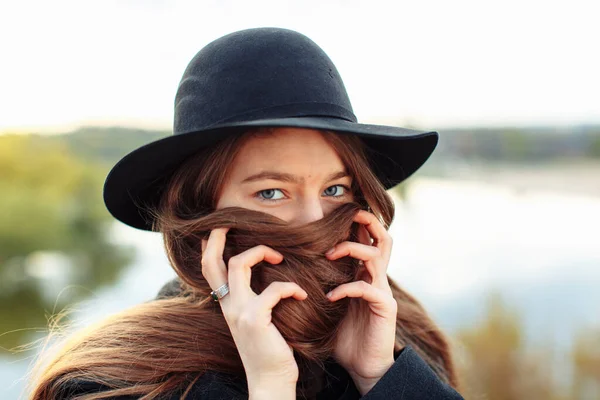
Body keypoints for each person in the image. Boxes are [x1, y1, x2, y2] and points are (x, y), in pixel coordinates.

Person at [29, 28, 464, 399]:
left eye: (334, 188)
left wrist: (380, 377)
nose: (314, 218)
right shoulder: (115, 381)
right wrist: (271, 384)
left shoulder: (398, 324)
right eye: (272, 192)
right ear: (201, 207)